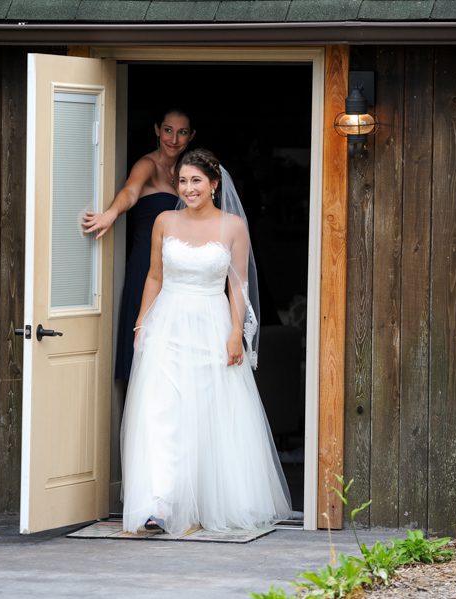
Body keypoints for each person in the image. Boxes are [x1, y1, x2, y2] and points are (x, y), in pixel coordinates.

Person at [120, 148, 292, 536]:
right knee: (163, 411)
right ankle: (160, 503)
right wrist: (140, 323)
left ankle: (208, 499)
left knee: (209, 411)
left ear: (214, 184)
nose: (188, 188)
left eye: (196, 180)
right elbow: (153, 276)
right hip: (167, 324)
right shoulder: (164, 220)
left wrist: (236, 332)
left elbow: (238, 285)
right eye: (182, 180)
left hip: (212, 325)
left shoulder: (232, 226)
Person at [82, 108, 195, 381]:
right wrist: (110, 214)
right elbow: (130, 191)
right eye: (168, 130)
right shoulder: (148, 165)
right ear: (157, 130)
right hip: (147, 265)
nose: (173, 139)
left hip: (180, 268)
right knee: (146, 340)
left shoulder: (187, 173)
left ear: (191, 137)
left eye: (181, 133)